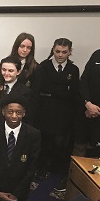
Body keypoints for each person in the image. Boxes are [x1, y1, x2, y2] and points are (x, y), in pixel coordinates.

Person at [32, 38, 80, 174]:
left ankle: (55, 171)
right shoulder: (44, 66)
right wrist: (63, 89)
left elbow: (74, 93)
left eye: (64, 52)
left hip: (64, 113)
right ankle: (40, 169)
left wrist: (51, 92)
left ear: (69, 52)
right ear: (53, 50)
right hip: (45, 112)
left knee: (60, 145)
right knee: (44, 143)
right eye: (57, 51)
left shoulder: (73, 69)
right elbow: (39, 89)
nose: (60, 55)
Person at [80, 48, 100, 158]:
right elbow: (84, 79)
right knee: (79, 146)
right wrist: (88, 103)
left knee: (96, 151)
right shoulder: (98, 54)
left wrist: (97, 109)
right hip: (85, 108)